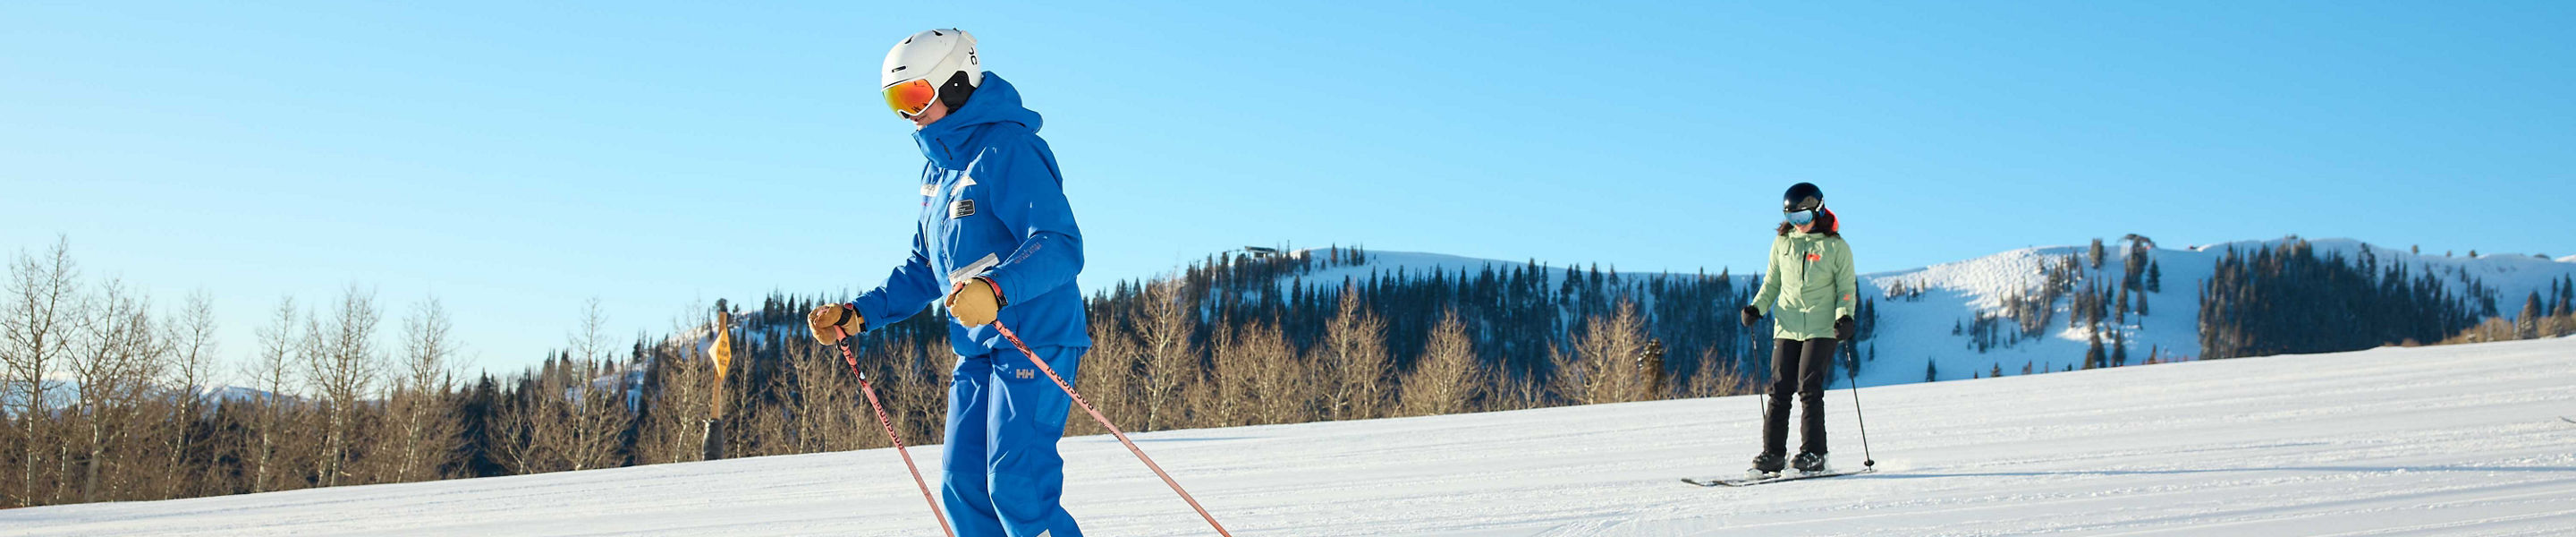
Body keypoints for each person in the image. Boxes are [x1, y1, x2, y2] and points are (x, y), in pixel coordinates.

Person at [805, 29, 1089, 537]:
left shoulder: (1011, 149)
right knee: (963, 485)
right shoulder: (938, 171)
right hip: (977, 346)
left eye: (915, 95)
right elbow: (923, 267)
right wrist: (859, 314)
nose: (907, 114)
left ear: (956, 84)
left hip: (1034, 337)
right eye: (896, 101)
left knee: (1016, 483)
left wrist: (997, 290)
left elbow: (1059, 243)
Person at [1739, 182, 1857, 476]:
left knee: (1809, 387)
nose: (1797, 225)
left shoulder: (1835, 247)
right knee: (1779, 389)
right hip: (1787, 324)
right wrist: (1757, 307)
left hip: (1822, 325)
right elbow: (1772, 282)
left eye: (1802, 218)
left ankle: (1815, 453)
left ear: (1818, 211)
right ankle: (1773, 455)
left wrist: (1845, 316)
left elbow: (1845, 288)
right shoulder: (1782, 244)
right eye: (1792, 219)